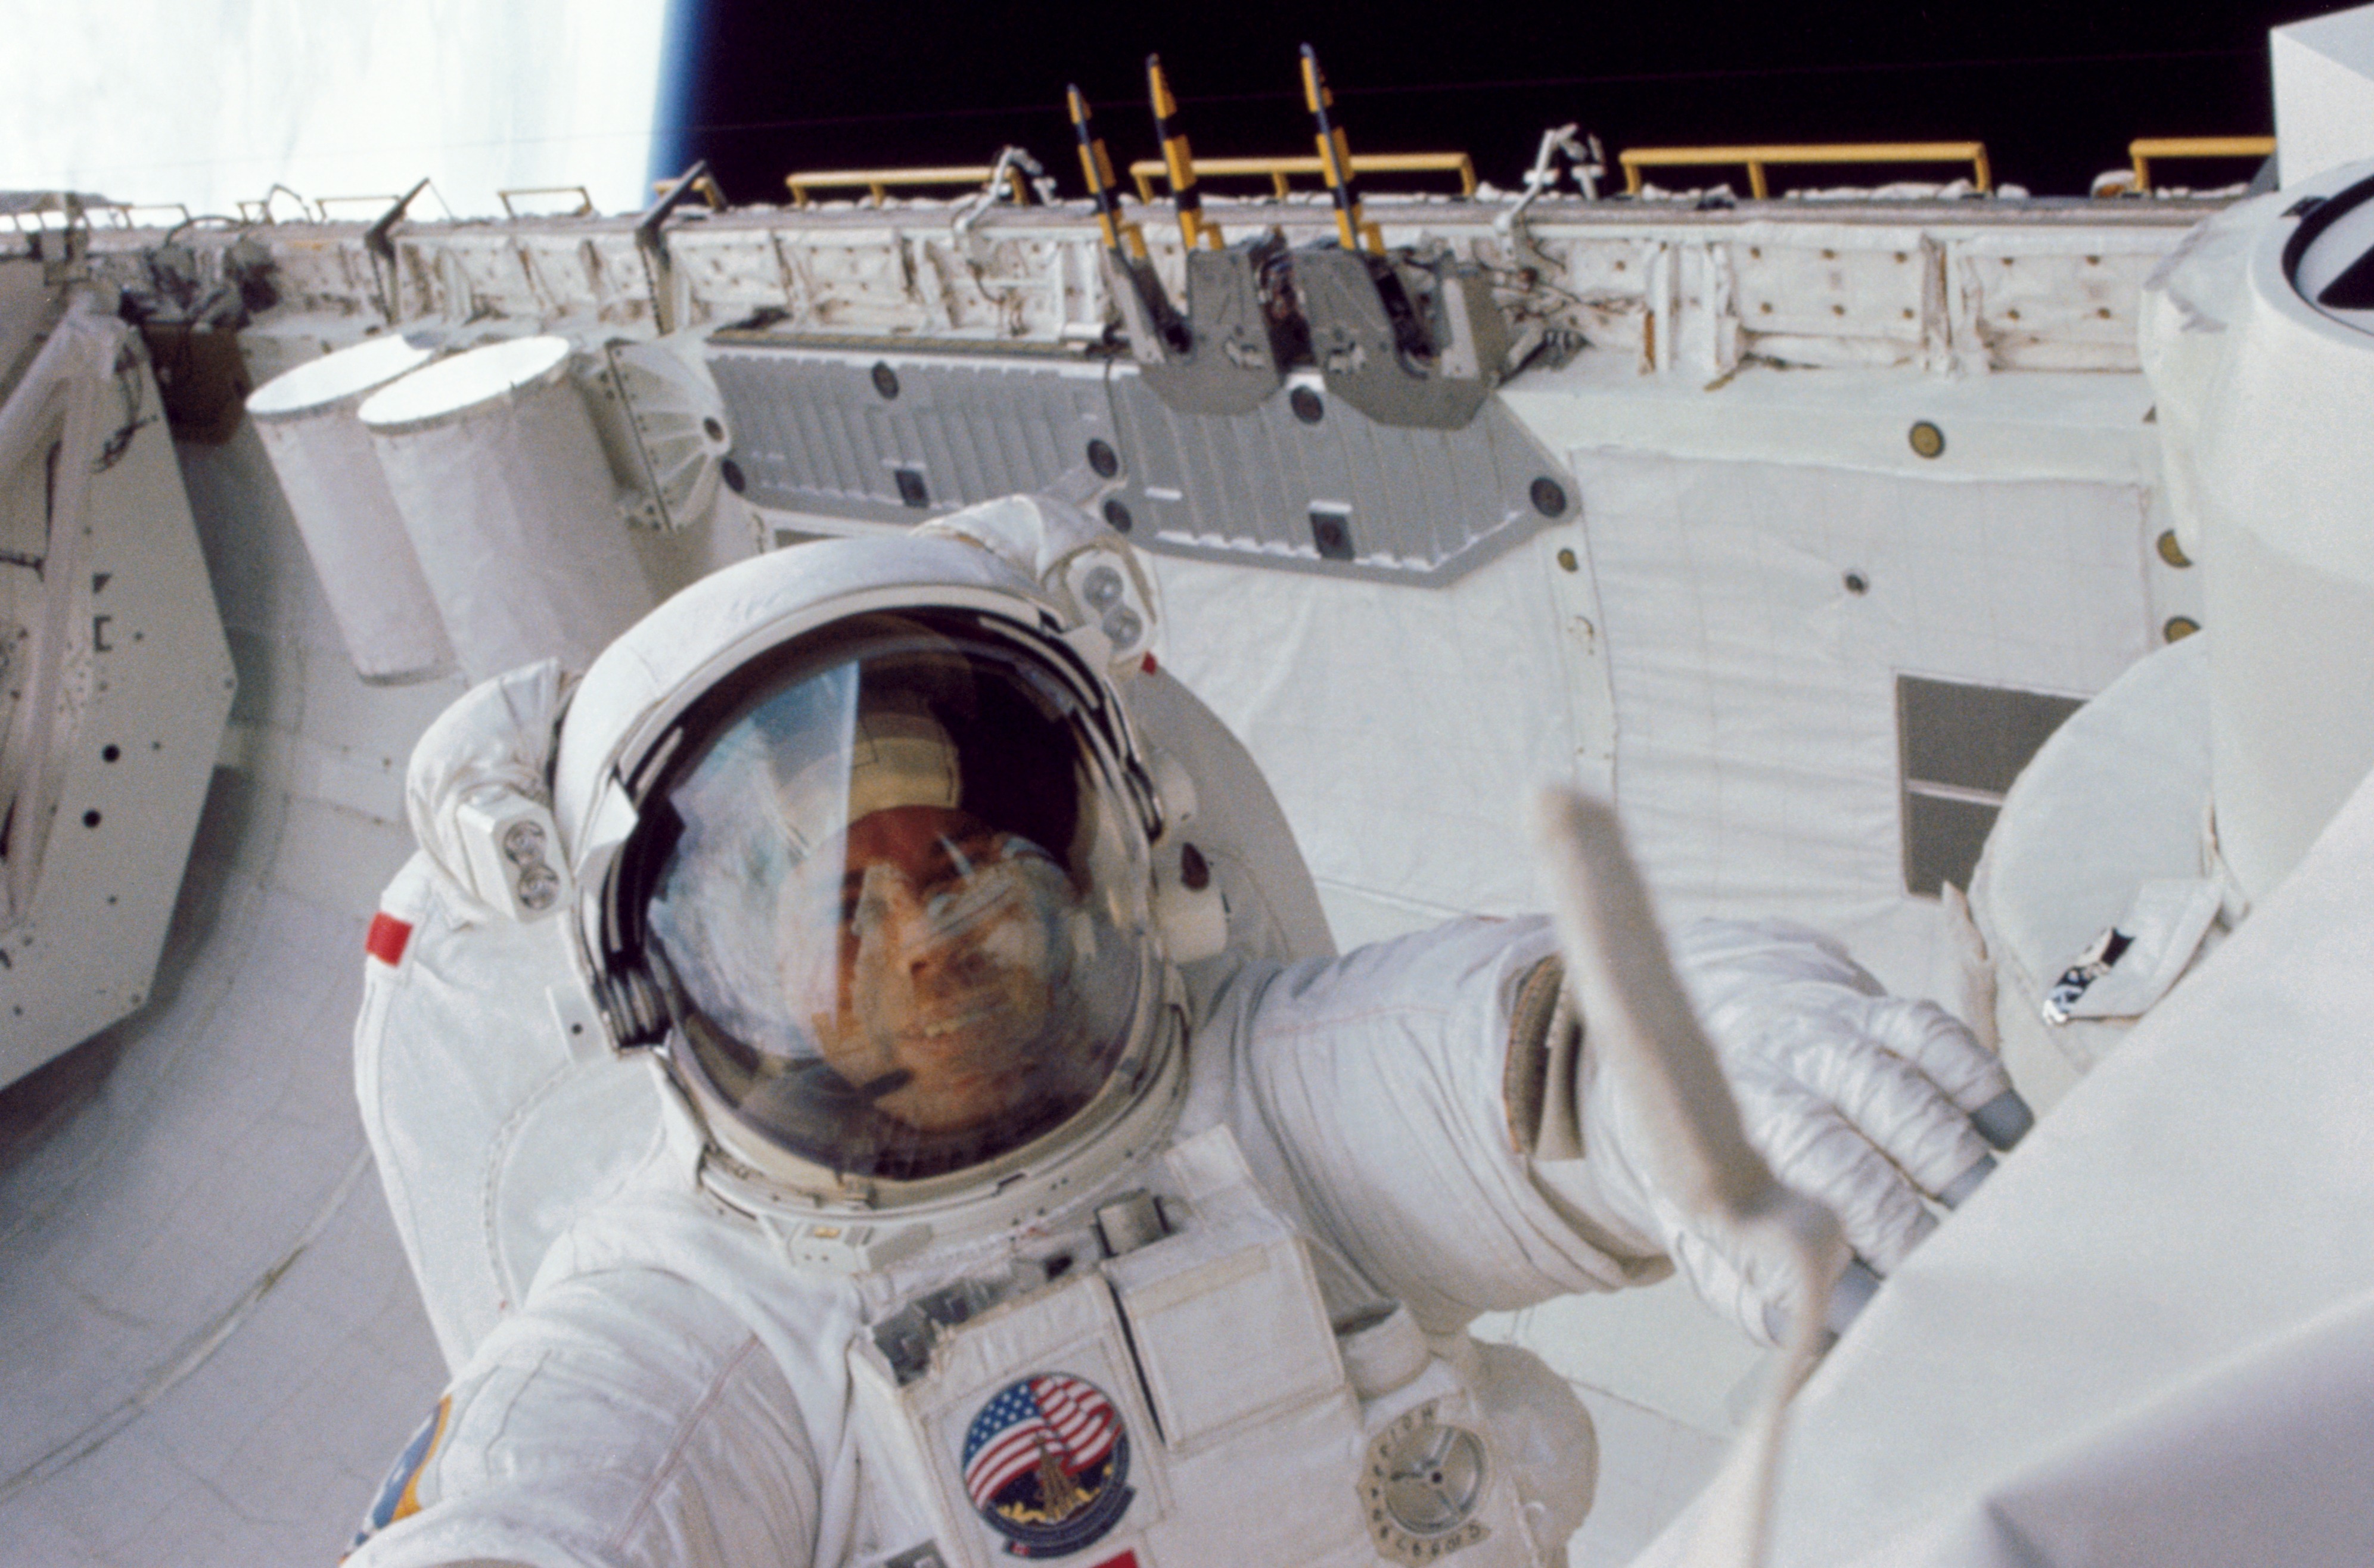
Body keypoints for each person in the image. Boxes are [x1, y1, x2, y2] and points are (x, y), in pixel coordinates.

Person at [345, 493, 2028, 1568]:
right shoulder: (692, 1327)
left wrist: (1748, 1083)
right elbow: (532, 1508)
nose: (934, 939)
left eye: (964, 858)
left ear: (1112, 852)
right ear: (686, 988)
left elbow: (1539, 1052)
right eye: (848, 911)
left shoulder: (1259, 1097)